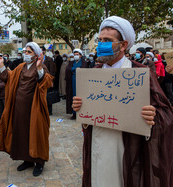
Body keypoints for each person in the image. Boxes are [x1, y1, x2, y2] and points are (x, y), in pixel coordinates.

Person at [72, 16, 173, 187]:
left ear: (123, 45)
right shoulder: (93, 73)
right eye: (100, 40)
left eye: (108, 40)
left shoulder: (140, 73)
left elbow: (166, 113)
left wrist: (153, 116)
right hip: (97, 145)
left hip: (127, 150)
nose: (101, 45)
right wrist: (81, 109)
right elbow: (87, 117)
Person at [0, 42, 53, 177]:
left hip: (34, 109)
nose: (25, 54)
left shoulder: (41, 66)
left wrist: (39, 69)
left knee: (36, 133)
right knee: (22, 133)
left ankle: (39, 162)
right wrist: (1, 65)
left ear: (36, 55)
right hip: (19, 109)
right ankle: (27, 160)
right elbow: (9, 78)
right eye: (25, 51)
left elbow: (47, 82)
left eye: (29, 52)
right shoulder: (21, 67)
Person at [65, 48, 88, 119]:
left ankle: (81, 113)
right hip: (73, 81)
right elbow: (68, 69)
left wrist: (74, 69)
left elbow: (84, 70)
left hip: (81, 82)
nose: (76, 56)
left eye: (77, 55)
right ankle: (74, 113)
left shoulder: (84, 62)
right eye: (74, 55)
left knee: (80, 97)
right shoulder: (71, 62)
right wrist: (76, 69)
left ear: (80, 55)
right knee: (73, 96)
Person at [41, 46, 56, 115]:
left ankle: (49, 111)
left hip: (47, 80)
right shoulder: (37, 59)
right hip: (40, 81)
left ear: (44, 51)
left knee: (48, 95)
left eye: (41, 51)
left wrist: (51, 80)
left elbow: (52, 70)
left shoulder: (49, 59)